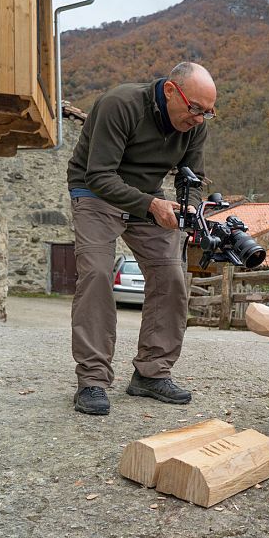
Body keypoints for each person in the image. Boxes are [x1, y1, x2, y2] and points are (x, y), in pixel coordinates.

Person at [66, 62, 217, 415]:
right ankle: (92, 379)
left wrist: (189, 208)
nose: (198, 118)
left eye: (207, 113)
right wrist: (151, 204)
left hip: (148, 199)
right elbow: (99, 175)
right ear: (169, 91)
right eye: (195, 108)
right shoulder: (120, 105)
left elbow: (193, 179)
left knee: (171, 276)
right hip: (94, 191)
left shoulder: (195, 126)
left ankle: (151, 373)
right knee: (97, 274)